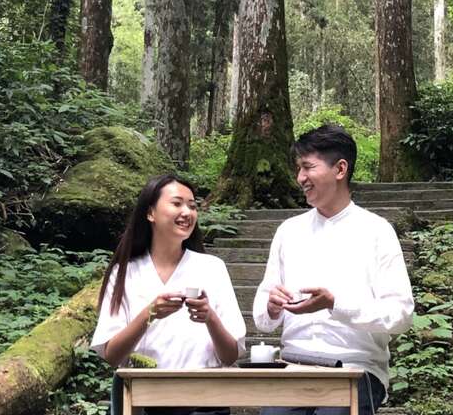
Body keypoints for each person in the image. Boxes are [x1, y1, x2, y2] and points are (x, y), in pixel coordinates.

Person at [253, 124, 414, 415]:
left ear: (340, 169)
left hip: (356, 368)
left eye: (308, 167)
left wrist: (335, 304)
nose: (300, 178)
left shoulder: (377, 231)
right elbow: (263, 320)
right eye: (298, 169)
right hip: (292, 366)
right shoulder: (289, 231)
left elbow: (401, 315)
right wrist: (272, 306)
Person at [91, 173, 246, 415]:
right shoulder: (125, 272)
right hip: (145, 401)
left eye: (192, 206)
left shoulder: (212, 268)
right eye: (177, 203)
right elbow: (112, 355)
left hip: (206, 402)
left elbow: (230, 356)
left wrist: (210, 318)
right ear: (150, 213)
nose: (187, 212)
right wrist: (150, 313)